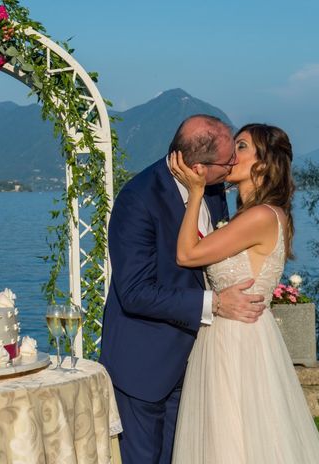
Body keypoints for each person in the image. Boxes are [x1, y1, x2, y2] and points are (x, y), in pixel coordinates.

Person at [100, 115, 267, 464]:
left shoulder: (216, 189)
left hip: (198, 361)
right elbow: (135, 292)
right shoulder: (138, 200)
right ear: (197, 167)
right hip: (145, 365)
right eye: (227, 161)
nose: (233, 164)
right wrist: (215, 304)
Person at [170, 123, 319, 463]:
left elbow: (186, 254)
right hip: (230, 334)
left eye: (240, 147)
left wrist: (195, 190)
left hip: (238, 341)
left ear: (262, 164)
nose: (230, 154)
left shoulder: (259, 216)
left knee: (235, 438)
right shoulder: (255, 214)